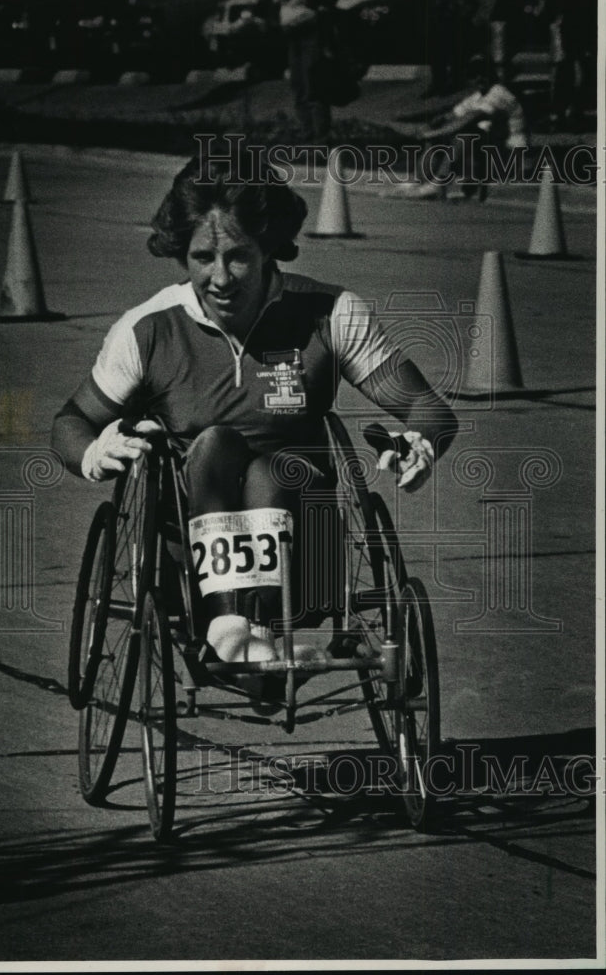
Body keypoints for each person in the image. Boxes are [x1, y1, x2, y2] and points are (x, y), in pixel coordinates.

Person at [51, 145, 458, 691]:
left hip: (307, 552)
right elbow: (70, 421)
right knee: (214, 443)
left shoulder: (329, 313)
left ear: (269, 247)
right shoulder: (148, 330)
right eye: (202, 258)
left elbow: (428, 409)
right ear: (182, 255)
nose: (220, 277)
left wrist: (420, 442)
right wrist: (94, 450)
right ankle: (230, 625)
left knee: (273, 470)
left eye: (238, 255)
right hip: (190, 564)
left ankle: (261, 637)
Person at [418, 54, 528, 201]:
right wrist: (431, 125)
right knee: (438, 137)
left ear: (492, 75)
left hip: (511, 154)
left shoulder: (499, 93)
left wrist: (436, 132)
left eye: (483, 74)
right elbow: (453, 114)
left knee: (467, 134)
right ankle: (424, 183)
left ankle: (438, 183)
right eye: (474, 75)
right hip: (491, 152)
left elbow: (470, 118)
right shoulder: (477, 97)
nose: (479, 79)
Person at [278, 0, 338, 145]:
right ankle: (307, 136)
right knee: (298, 88)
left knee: (313, 86)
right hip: (293, 36)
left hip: (311, 34)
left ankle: (321, 139)